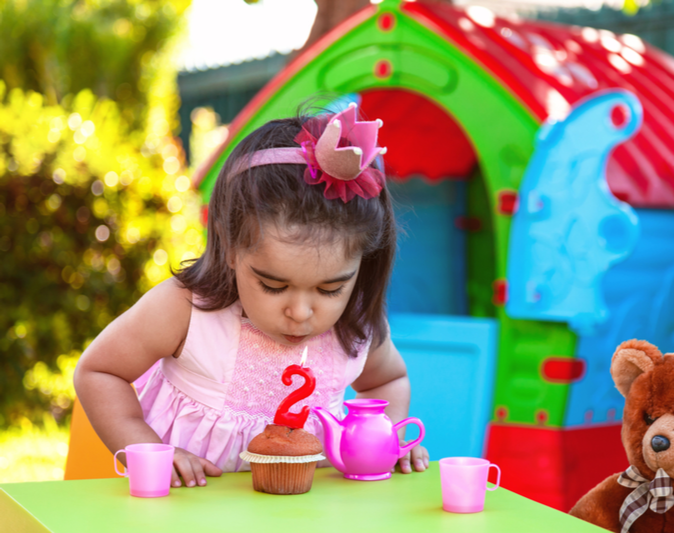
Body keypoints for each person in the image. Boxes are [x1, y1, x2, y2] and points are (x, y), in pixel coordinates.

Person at [74, 103, 429, 489]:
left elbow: (386, 381)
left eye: (331, 288)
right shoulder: (186, 310)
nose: (300, 312)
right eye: (274, 285)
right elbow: (99, 372)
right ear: (229, 247)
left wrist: (386, 439)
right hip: (186, 512)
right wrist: (148, 451)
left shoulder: (354, 325)